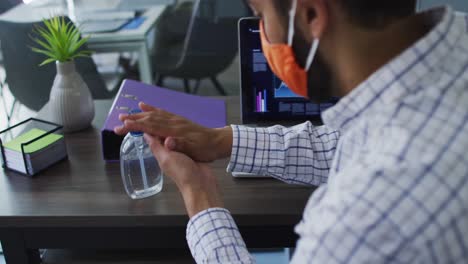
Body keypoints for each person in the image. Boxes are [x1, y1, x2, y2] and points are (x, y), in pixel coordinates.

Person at [114, 0, 468, 262]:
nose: (262, 32)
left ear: (312, 14)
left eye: (260, 15)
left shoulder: (367, 217)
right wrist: (223, 140)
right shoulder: (448, 59)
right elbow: (354, 142)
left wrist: (200, 196)